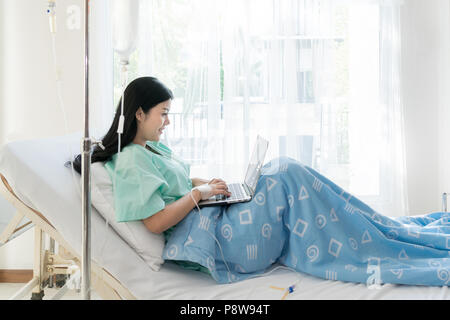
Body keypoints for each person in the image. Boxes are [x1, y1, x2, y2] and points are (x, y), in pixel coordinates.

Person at [73, 76, 450, 287]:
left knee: (281, 172)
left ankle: (379, 227)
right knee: (286, 173)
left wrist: (215, 186)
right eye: (163, 114)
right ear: (139, 113)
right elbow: (154, 221)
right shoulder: (129, 162)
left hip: (215, 218)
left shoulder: (153, 150)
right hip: (220, 242)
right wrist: (197, 194)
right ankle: (379, 235)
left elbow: (178, 180)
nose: (167, 122)